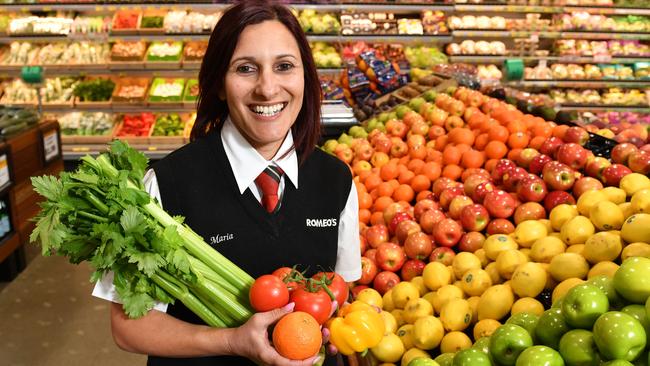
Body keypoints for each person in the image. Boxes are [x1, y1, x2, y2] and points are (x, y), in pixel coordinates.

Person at [91, 1, 361, 365]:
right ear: (219, 83)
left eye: (284, 66)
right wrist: (232, 341)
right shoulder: (164, 187)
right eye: (246, 69)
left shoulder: (337, 180)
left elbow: (341, 293)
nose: (268, 89)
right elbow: (128, 327)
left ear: (305, 78)